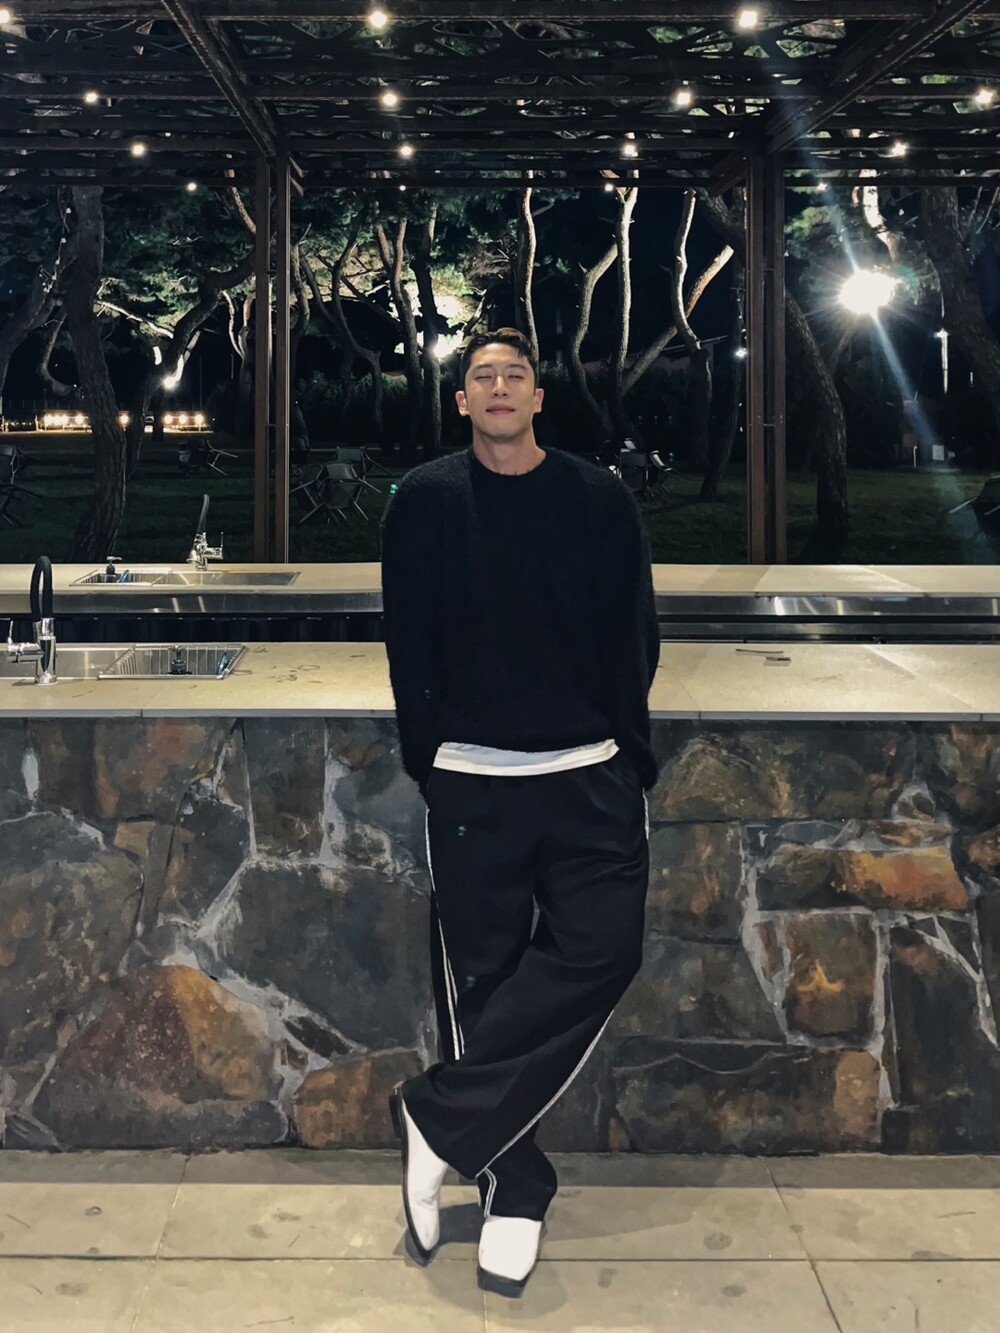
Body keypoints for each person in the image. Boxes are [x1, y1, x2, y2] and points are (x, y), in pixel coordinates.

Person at [380, 327, 659, 1297]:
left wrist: (630, 750)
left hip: (589, 772)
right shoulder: (425, 501)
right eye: (481, 376)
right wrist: (431, 757)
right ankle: (514, 1185)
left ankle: (435, 1114)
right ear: (462, 401)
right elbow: (408, 638)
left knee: (605, 947)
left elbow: (633, 630)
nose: (499, 386)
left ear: (540, 397)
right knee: (485, 986)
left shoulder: (597, 498)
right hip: (472, 780)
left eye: (515, 374)